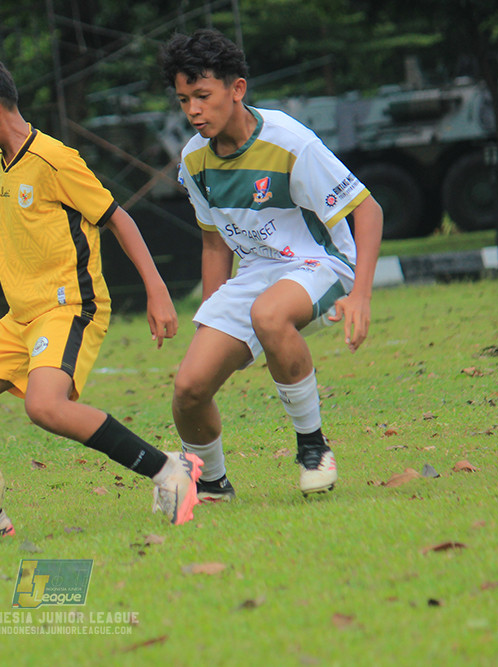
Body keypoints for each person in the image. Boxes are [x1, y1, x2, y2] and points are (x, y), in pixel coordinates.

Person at [0, 50, 201, 546]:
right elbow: (4, 233)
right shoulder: (1, 165)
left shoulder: (55, 159)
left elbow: (118, 217)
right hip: (21, 315)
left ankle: (169, 471)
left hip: (69, 307)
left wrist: (157, 290)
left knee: (44, 406)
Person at [158, 30, 383, 500]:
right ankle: (212, 485)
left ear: (236, 89)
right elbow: (214, 242)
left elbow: (368, 210)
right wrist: (212, 314)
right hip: (258, 272)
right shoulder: (193, 160)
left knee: (268, 314)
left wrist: (361, 294)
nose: (193, 111)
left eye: (202, 96)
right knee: (189, 388)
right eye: (183, 100)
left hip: (322, 261)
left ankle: (313, 447)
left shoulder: (289, 142)